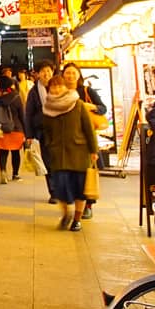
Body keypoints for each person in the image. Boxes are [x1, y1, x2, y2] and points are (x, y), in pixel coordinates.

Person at [39, 73, 99, 231]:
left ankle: (77, 219)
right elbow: (46, 131)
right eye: (53, 86)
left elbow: (88, 129)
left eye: (59, 85)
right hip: (58, 154)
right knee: (61, 188)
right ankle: (67, 214)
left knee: (80, 190)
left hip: (79, 152)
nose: (57, 88)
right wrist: (49, 145)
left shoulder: (78, 104)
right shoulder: (47, 108)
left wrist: (94, 150)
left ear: (65, 87)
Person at [64, 63, 108, 218]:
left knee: (86, 174)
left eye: (73, 73)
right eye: (67, 73)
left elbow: (103, 108)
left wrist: (91, 106)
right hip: (67, 140)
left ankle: (88, 205)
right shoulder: (60, 92)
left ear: (78, 75)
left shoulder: (86, 91)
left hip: (85, 139)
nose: (70, 76)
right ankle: (75, 205)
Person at [24, 60, 56, 203]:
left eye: (48, 70)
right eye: (42, 71)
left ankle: (63, 189)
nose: (46, 74)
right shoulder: (34, 92)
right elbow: (28, 114)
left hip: (60, 131)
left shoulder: (59, 87)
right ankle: (54, 192)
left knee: (60, 161)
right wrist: (29, 135)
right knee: (48, 162)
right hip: (43, 133)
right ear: (37, 74)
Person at [0, 75, 26, 181]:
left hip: (1, 129)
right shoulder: (16, 97)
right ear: (11, 85)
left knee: (3, 152)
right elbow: (21, 115)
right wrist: (26, 131)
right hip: (16, 128)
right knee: (16, 153)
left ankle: (3, 172)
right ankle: (15, 174)